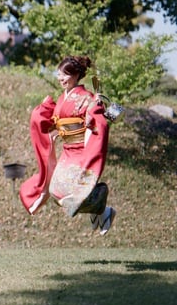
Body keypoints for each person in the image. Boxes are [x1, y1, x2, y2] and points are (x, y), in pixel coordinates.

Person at [19, 55, 116, 234]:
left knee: (74, 195)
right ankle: (102, 212)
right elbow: (58, 120)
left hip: (82, 151)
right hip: (68, 151)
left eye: (64, 74)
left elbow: (97, 120)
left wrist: (94, 111)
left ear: (76, 75)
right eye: (58, 74)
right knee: (56, 192)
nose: (60, 78)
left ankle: (101, 208)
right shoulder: (62, 98)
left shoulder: (87, 98)